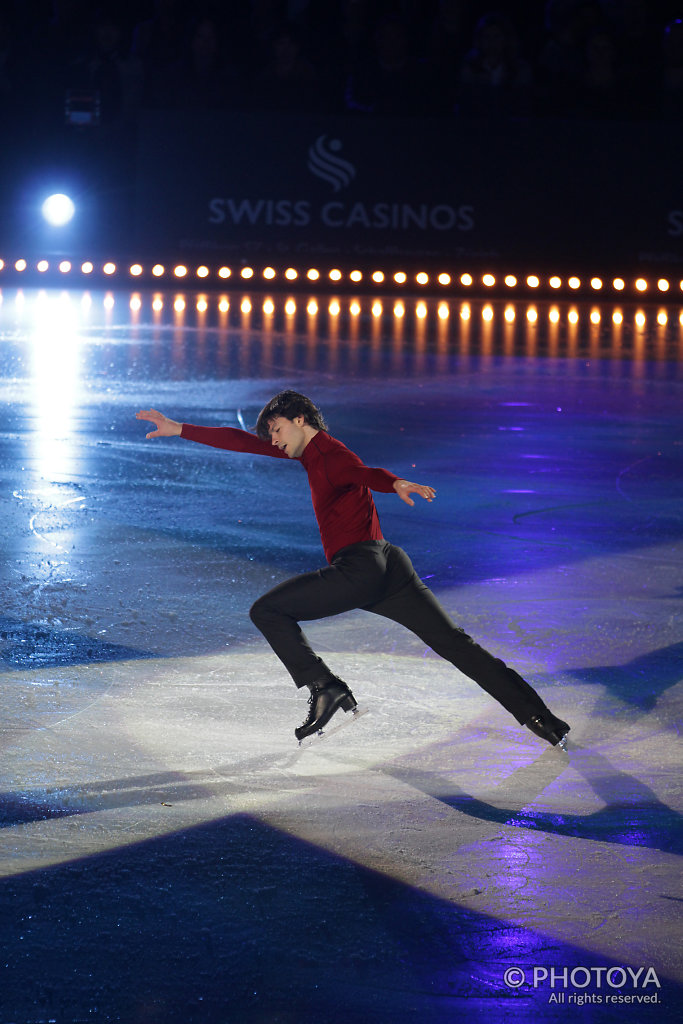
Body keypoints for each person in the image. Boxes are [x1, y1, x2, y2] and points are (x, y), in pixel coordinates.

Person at [136, 392, 570, 747]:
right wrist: (179, 429)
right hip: (389, 564)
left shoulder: (329, 455)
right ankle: (542, 719)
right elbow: (242, 441)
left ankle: (325, 685)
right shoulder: (313, 453)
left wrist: (394, 482)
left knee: (268, 611)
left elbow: (361, 472)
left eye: (278, 429)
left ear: (301, 419)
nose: (273, 440)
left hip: (360, 569)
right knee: (457, 645)